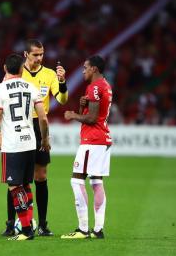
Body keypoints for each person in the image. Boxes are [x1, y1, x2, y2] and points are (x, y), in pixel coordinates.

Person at [0, 53, 51, 241]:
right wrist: (44, 139)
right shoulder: (31, 87)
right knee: (26, 185)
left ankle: (26, 230)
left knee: (14, 187)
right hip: (30, 142)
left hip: (13, 144)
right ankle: (30, 225)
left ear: (4, 68)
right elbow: (42, 117)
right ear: (22, 69)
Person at [0, 39, 68, 236]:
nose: (39, 58)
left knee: (41, 176)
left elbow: (62, 100)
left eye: (42, 54)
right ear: (25, 54)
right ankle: (11, 223)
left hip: (39, 126)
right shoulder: (17, 73)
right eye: (36, 54)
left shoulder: (50, 74)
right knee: (16, 178)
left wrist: (62, 82)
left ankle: (43, 224)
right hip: (17, 126)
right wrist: (2, 133)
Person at [61, 55, 112, 239]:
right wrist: (83, 106)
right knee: (96, 181)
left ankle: (83, 229)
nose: (83, 71)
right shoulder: (104, 85)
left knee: (76, 180)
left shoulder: (96, 86)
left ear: (94, 69)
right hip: (102, 139)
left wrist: (73, 115)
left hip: (93, 140)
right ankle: (98, 229)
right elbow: (94, 114)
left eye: (85, 67)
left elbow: (91, 119)